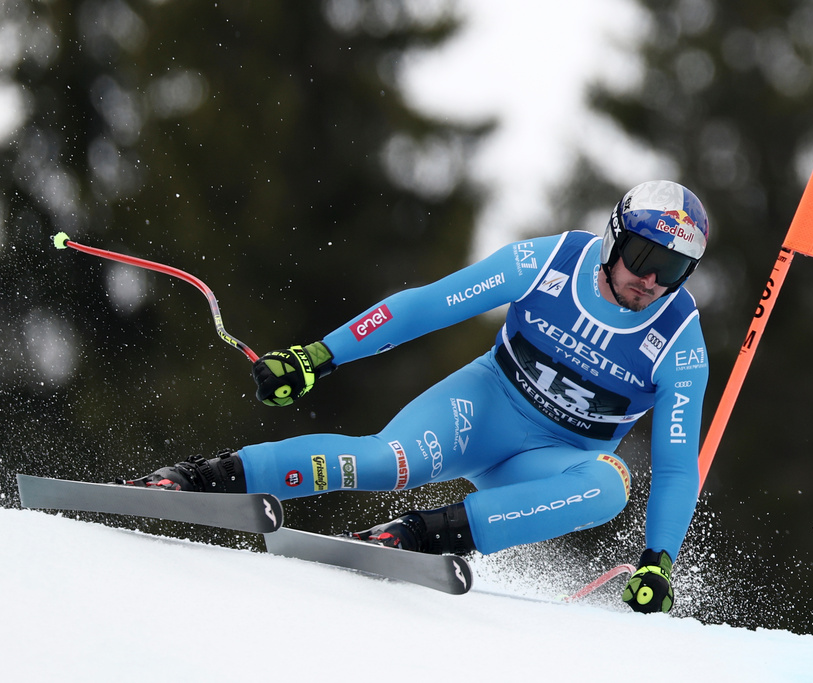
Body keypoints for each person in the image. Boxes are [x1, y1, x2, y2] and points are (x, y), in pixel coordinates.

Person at [123, 180, 710, 614]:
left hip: (550, 462)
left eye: (673, 270)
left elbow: (679, 464)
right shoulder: (551, 261)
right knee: (384, 462)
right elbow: (427, 305)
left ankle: (421, 535)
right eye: (642, 257)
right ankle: (204, 476)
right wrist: (318, 357)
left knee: (610, 486)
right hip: (483, 410)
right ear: (614, 238)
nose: (651, 279)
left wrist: (659, 560)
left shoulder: (679, 343)